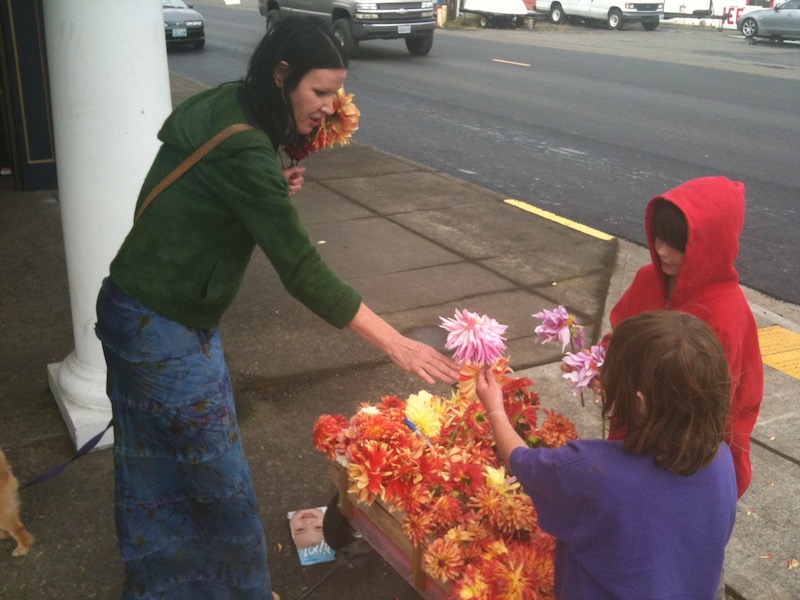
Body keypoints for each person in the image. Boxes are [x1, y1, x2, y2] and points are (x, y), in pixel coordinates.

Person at [94, 17, 459, 600]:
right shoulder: (247, 149)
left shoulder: (229, 105)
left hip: (131, 302)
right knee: (219, 483)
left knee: (150, 468)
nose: (328, 106)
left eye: (336, 92)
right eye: (319, 92)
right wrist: (397, 343)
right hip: (160, 329)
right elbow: (302, 270)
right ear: (281, 75)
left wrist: (269, 178)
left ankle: (158, 586)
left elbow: (207, 188)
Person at [476, 311, 737, 599]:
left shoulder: (592, 470)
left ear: (640, 402)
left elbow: (522, 461)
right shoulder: (720, 460)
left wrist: (495, 408)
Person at [609, 176, 764, 499]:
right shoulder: (648, 278)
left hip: (686, 451)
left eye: (676, 243)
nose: (661, 250)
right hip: (635, 423)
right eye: (658, 237)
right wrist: (602, 364)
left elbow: (715, 409)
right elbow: (621, 329)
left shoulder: (725, 312)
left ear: (709, 244)